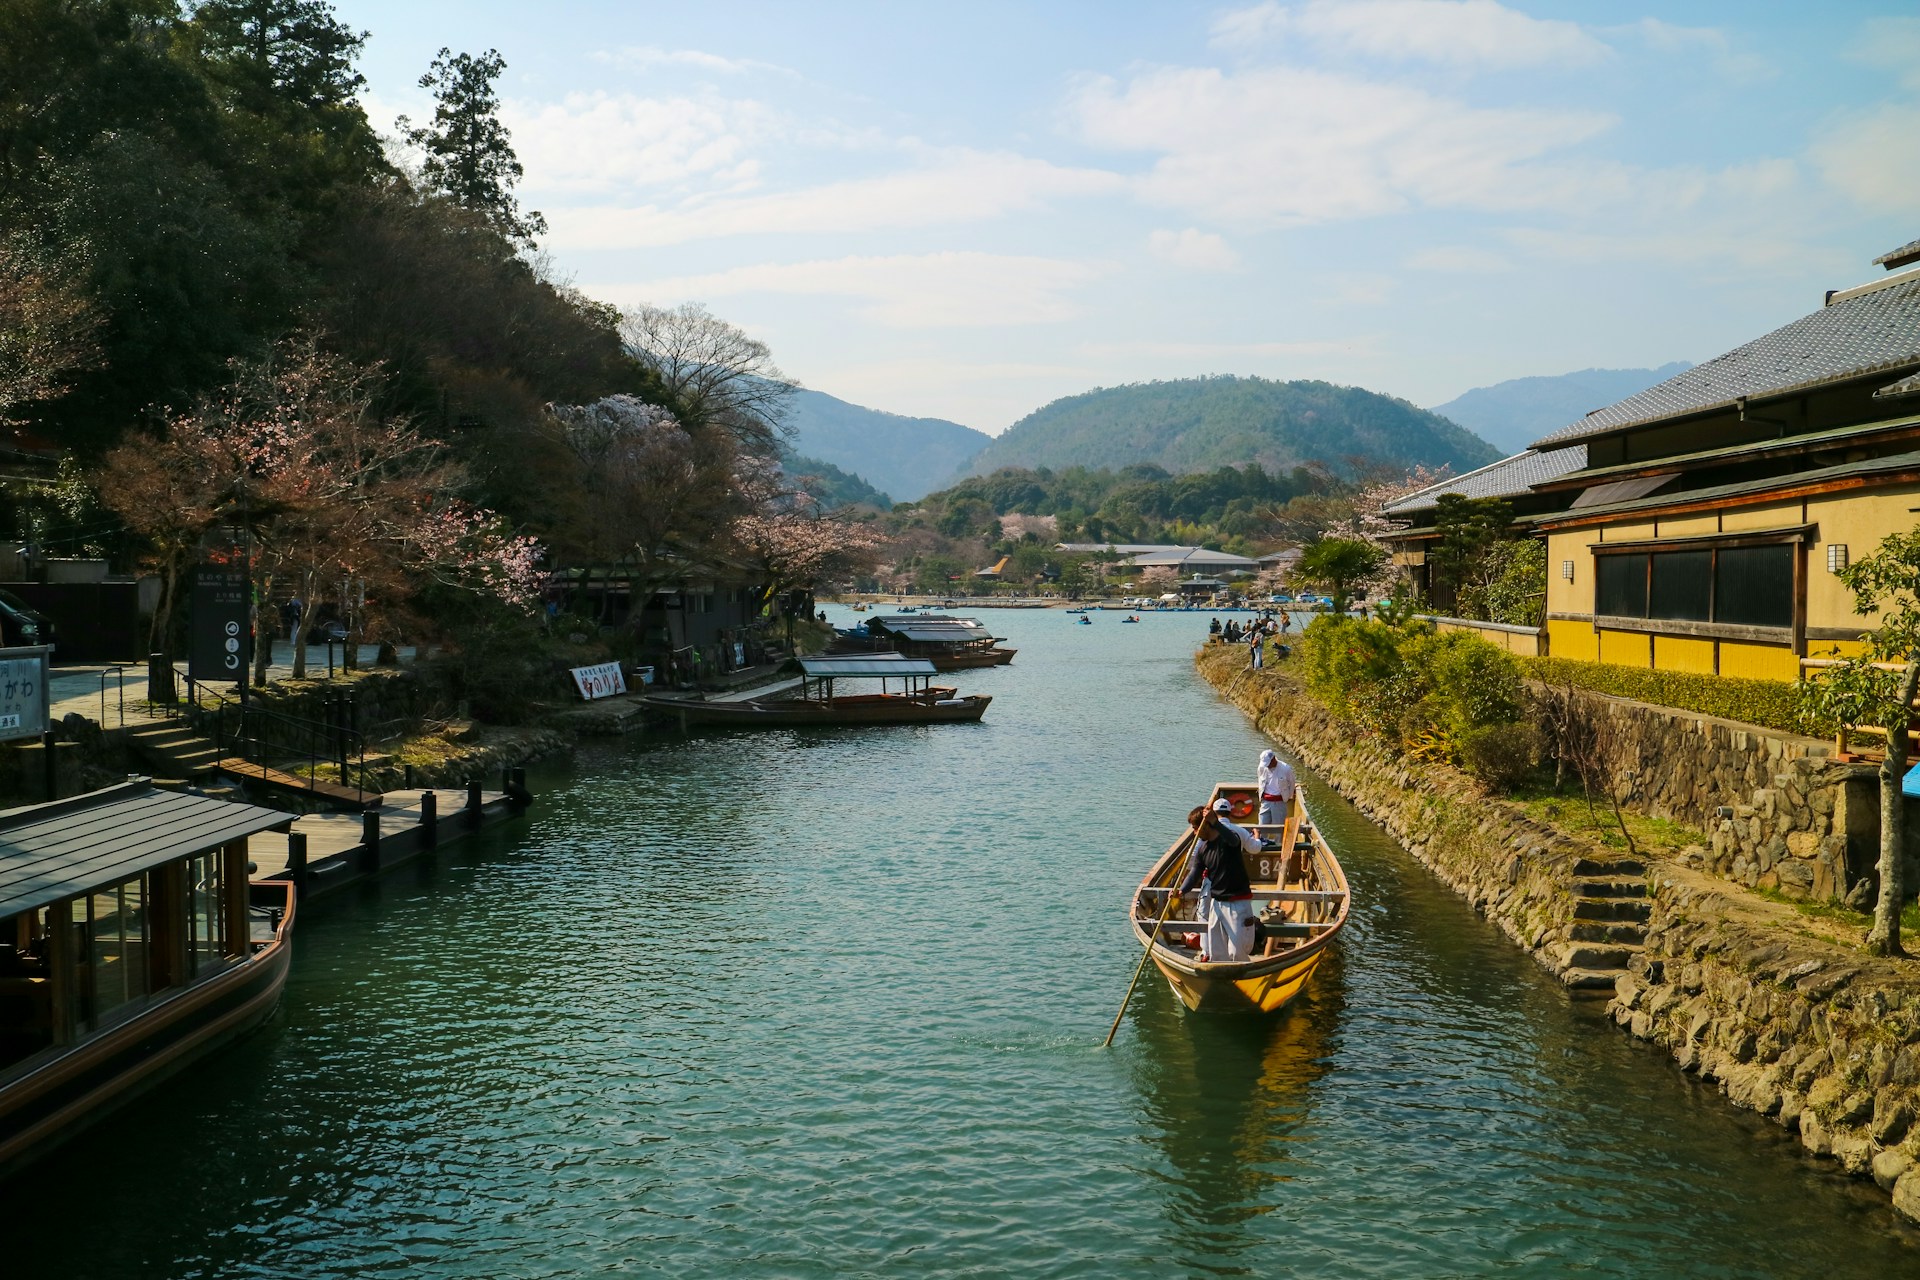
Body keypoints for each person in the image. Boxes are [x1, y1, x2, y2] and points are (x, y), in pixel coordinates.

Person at [1178, 800, 1262, 963]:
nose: (1194, 833)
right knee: (1217, 951)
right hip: (1217, 904)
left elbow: (1233, 840)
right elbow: (1195, 872)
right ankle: (1219, 978)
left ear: (1206, 825)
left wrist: (1214, 821)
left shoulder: (1229, 840)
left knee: (1237, 951)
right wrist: (1182, 890)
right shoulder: (1203, 848)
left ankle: (1240, 978)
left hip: (1238, 902)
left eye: (1196, 828)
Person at [1257, 749, 1297, 829]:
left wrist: (1290, 796)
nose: (1267, 766)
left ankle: (1278, 842)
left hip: (1279, 802)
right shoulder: (1262, 767)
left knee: (1279, 828)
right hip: (1265, 802)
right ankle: (1262, 841)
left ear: (1274, 759)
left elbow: (1292, 782)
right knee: (1261, 827)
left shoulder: (1286, 768)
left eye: (1268, 763)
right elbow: (1259, 780)